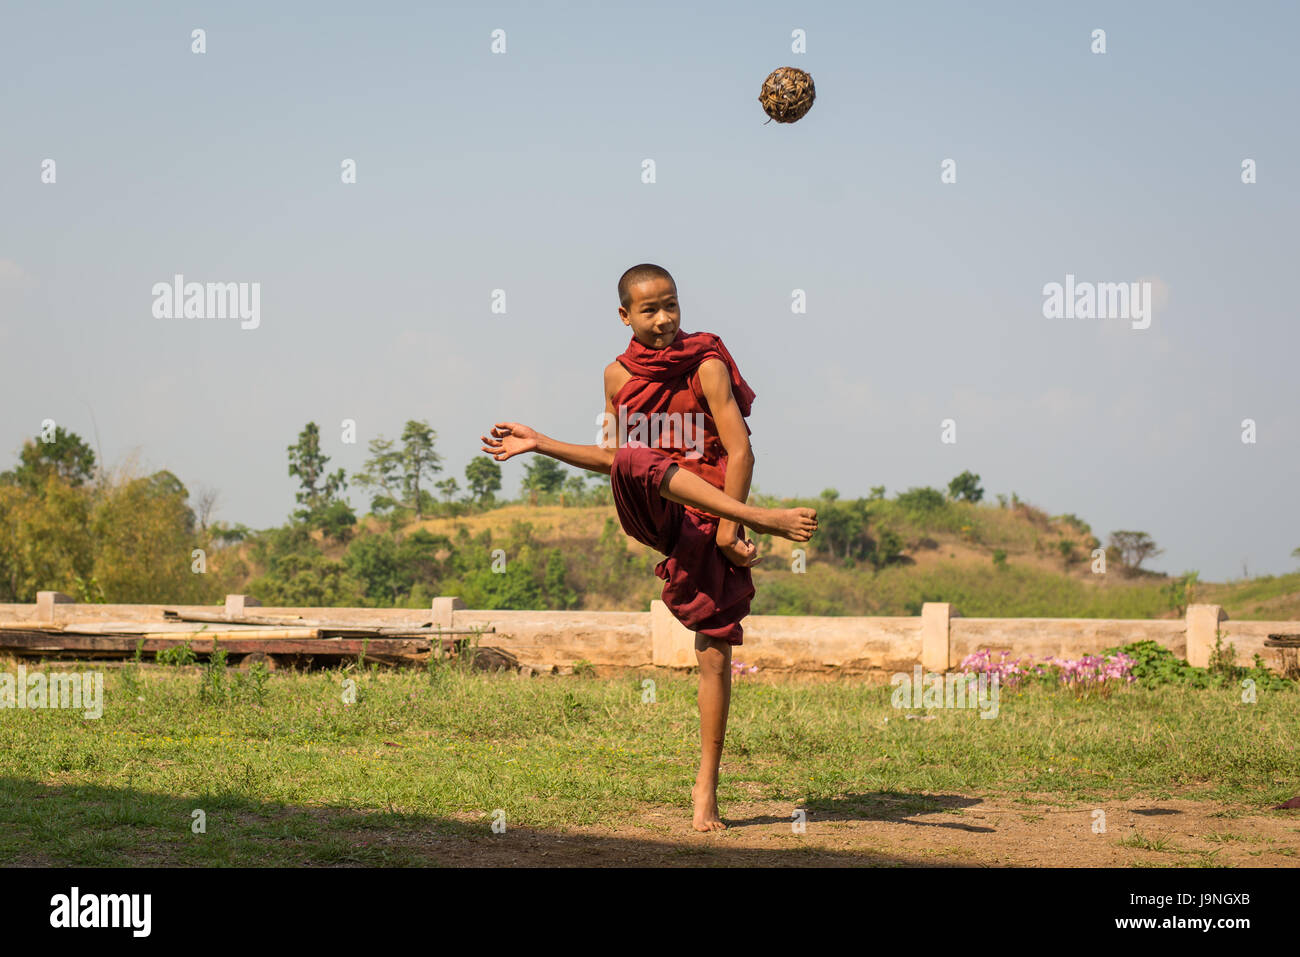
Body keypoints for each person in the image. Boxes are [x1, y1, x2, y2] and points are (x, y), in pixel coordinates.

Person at [481, 263, 817, 830]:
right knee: (637, 456)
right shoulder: (617, 377)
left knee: (714, 648)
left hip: (710, 512)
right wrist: (539, 443)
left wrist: (727, 531)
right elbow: (613, 458)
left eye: (672, 306)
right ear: (624, 316)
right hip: (653, 510)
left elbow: (741, 452)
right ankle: (763, 518)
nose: (663, 320)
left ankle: (705, 788)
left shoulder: (707, 365)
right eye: (649, 310)